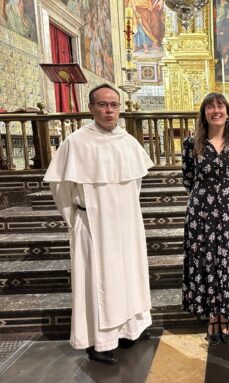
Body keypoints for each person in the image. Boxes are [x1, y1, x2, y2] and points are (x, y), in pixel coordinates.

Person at [44, 84, 154, 364]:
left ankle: (130, 330)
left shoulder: (128, 142)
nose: (109, 110)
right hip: (92, 224)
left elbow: (136, 185)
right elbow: (61, 188)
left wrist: (124, 212)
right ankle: (99, 342)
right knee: (97, 282)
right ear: (91, 107)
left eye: (114, 105)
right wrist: (77, 220)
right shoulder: (77, 142)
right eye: (103, 105)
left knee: (130, 275)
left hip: (126, 224)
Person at [182, 93, 229, 345]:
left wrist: (225, 197)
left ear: (227, 112)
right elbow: (188, 178)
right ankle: (213, 316)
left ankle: (226, 313)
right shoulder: (192, 143)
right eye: (210, 107)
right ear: (204, 113)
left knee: (228, 261)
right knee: (207, 262)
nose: (215, 110)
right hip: (201, 213)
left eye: (220, 106)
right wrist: (206, 198)